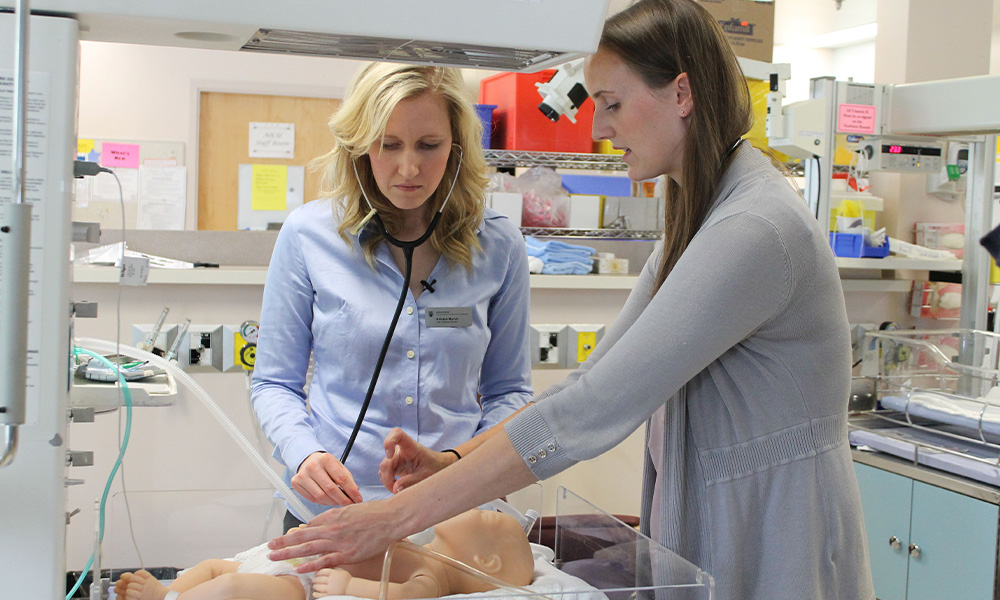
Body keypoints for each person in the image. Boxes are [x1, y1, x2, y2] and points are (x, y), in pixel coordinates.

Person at [267, 1, 876, 599]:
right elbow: (592, 378)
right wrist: (454, 460)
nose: (599, 128)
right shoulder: (701, 217)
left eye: (610, 103)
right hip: (718, 514)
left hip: (775, 525)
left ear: (682, 94)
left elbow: (592, 410)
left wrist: (395, 518)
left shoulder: (754, 229)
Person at [250, 61, 533, 533]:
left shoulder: (499, 246)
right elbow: (274, 383)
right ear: (359, 145)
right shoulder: (308, 236)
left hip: (456, 515)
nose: (409, 168)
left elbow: (510, 393)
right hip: (336, 512)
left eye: (429, 146)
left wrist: (460, 463)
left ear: (457, 148)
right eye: (388, 144)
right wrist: (305, 454)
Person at [112, 509, 533, 600]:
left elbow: (403, 596)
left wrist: (351, 584)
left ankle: (169, 599)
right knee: (213, 567)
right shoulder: (421, 544)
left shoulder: (436, 573)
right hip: (295, 558)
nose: (485, 507)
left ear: (487, 564)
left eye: (493, 519)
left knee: (235, 586)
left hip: (302, 580)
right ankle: (173, 589)